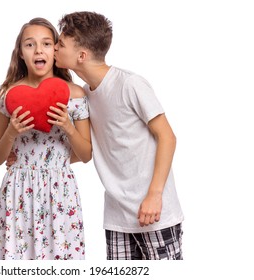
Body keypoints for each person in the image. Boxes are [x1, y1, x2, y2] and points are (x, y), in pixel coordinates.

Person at [53, 11, 184, 260]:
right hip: (116, 218)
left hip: (155, 212)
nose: (55, 48)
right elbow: (86, 151)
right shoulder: (83, 94)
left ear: (81, 55)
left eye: (60, 44)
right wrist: (32, 159)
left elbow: (168, 137)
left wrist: (155, 195)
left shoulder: (130, 84)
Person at [0, 17, 92, 260]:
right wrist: (12, 132)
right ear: (20, 53)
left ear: (55, 50)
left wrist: (68, 126)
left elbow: (87, 154)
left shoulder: (75, 94)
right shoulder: (7, 95)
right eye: (30, 44)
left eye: (47, 44)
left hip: (60, 191)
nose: (38, 50)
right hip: (18, 192)